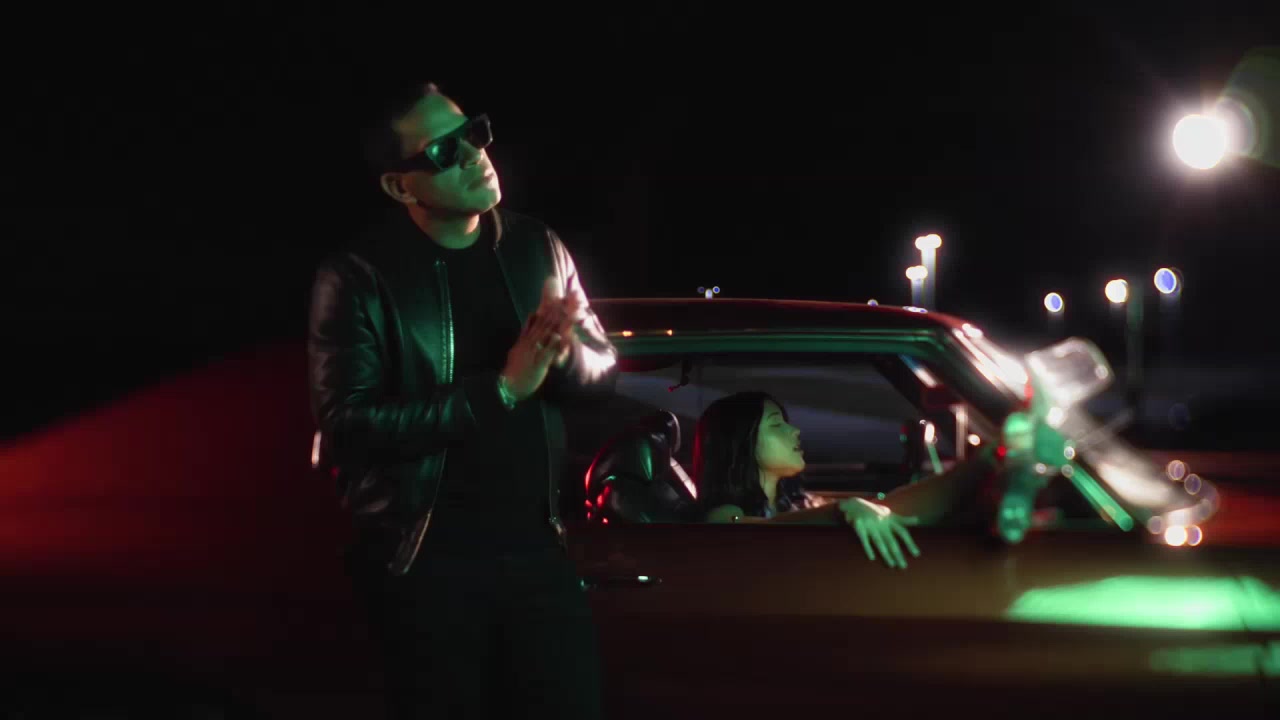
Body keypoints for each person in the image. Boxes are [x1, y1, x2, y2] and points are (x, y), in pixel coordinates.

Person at [307, 80, 617, 719]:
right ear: (401, 187)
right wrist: (501, 390)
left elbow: (602, 369)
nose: (476, 155)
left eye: (473, 133)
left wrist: (564, 356)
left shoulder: (535, 245)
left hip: (538, 550)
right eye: (444, 151)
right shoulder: (360, 276)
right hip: (426, 561)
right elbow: (349, 425)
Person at [694, 391, 1009, 569]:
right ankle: (985, 463)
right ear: (741, 443)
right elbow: (754, 532)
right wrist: (841, 510)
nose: (795, 431)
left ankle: (984, 465)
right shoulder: (722, 515)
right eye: (777, 425)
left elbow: (889, 510)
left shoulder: (798, 503)